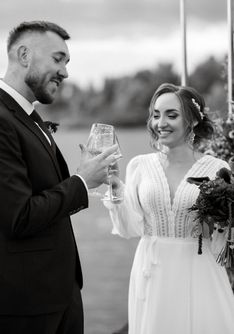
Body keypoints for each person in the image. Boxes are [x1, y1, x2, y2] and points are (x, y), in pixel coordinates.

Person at [0, 21, 117, 334]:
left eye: (67, 63)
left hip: (61, 293)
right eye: (57, 58)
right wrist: (80, 182)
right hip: (25, 306)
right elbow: (18, 216)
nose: (65, 72)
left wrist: (84, 173)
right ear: (24, 54)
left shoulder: (27, 115)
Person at [104, 83, 234, 334]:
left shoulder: (218, 169)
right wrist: (115, 187)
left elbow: (222, 239)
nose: (160, 123)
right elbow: (128, 228)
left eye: (171, 115)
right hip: (152, 271)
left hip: (199, 270)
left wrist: (222, 224)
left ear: (193, 121)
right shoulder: (139, 166)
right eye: (155, 114)